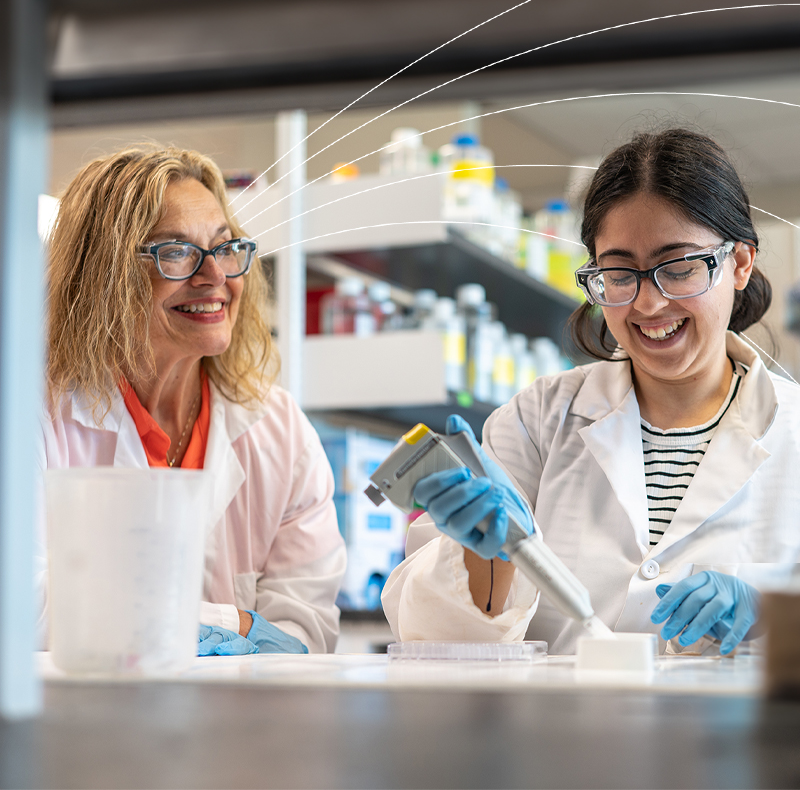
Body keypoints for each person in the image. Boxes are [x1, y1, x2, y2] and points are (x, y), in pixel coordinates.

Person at [383, 128, 800, 656]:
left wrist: (775, 612)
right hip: (563, 735)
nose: (649, 304)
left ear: (739, 263)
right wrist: (484, 555)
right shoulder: (538, 422)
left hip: (741, 738)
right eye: (620, 274)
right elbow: (431, 639)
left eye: (678, 267)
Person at [40, 145, 346, 655]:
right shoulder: (33, 415)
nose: (217, 277)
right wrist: (237, 623)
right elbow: (25, 607)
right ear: (102, 276)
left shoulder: (280, 430)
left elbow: (305, 631)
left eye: (225, 248)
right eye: (176, 251)